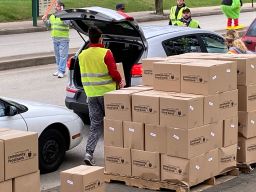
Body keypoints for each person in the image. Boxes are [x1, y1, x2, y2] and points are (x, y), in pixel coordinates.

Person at [78, 26, 125, 166]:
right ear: (101, 39)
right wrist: (120, 81)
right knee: (114, 123)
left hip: (91, 95)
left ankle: (89, 153)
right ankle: (117, 154)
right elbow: (114, 72)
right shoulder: (106, 52)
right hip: (107, 94)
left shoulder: (82, 55)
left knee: (95, 125)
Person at [42, 0, 70, 78]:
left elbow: (68, 23)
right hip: (55, 39)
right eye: (56, 6)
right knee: (57, 56)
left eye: (57, 6)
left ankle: (61, 71)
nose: (55, 7)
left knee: (63, 56)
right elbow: (48, 26)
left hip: (63, 39)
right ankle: (59, 69)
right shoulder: (53, 16)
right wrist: (44, 20)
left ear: (61, 7)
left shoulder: (66, 15)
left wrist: (62, 14)